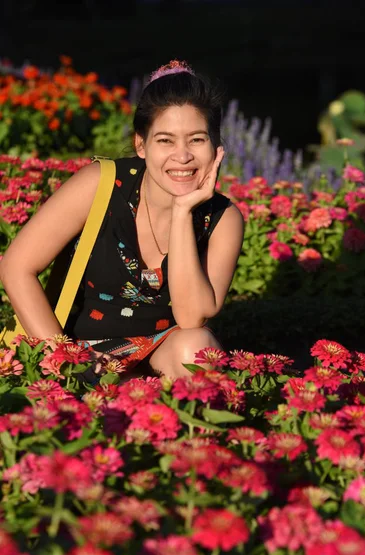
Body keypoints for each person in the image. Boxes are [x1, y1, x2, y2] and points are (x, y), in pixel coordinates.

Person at [0, 60, 244, 378]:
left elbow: (191, 318)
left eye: (197, 139)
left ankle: (193, 426)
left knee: (197, 347)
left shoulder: (223, 219)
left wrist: (183, 211)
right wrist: (65, 361)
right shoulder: (101, 184)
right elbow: (17, 266)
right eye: (165, 140)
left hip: (163, 351)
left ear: (216, 146)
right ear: (141, 144)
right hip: (82, 350)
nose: (182, 155)